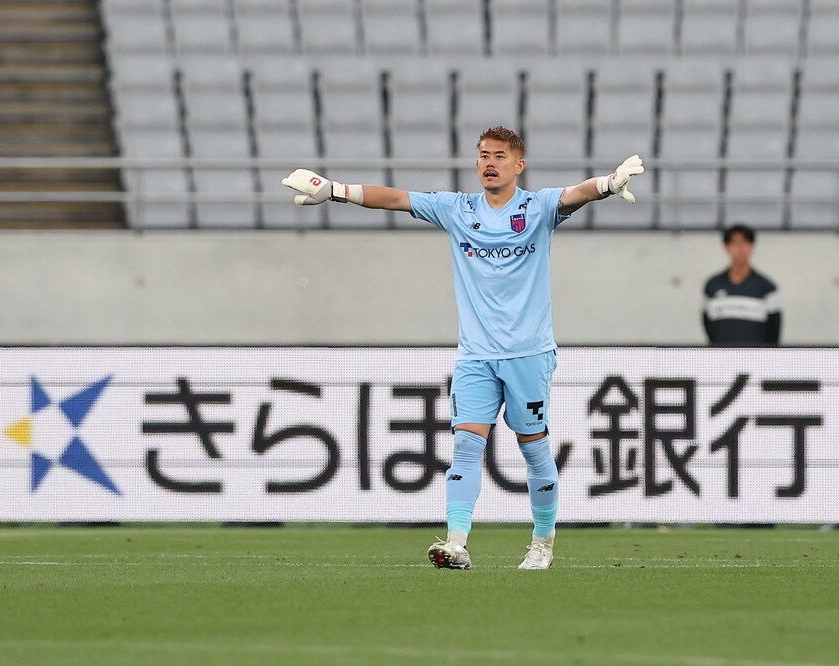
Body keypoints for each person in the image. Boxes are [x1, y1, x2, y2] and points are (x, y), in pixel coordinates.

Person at [282, 126, 644, 570]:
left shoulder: (537, 207)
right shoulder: (458, 209)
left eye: (499, 156)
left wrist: (607, 184)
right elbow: (396, 198)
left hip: (528, 353)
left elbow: (576, 194)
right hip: (475, 356)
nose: (489, 163)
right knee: (466, 447)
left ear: (519, 165)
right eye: (483, 155)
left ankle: (543, 543)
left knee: (533, 448)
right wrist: (335, 190)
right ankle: (456, 542)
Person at [702, 224, 781, 346]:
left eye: (745, 242)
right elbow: (708, 326)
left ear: (752, 246)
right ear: (726, 247)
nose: (740, 248)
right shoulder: (712, 286)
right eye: (735, 243)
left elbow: (773, 332)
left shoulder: (767, 288)